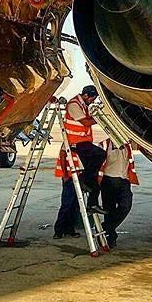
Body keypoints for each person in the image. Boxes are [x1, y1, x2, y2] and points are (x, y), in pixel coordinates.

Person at [53, 85, 107, 239]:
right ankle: (59, 230)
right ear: (85, 95)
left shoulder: (84, 105)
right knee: (67, 202)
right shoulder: (74, 105)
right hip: (71, 172)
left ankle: (71, 227)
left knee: (77, 203)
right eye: (92, 98)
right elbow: (86, 123)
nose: (93, 101)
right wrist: (101, 117)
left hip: (80, 168)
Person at [98, 140, 139, 248]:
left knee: (126, 206)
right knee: (109, 210)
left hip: (124, 181)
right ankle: (110, 237)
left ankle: (106, 227)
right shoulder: (104, 145)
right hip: (108, 180)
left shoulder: (127, 146)